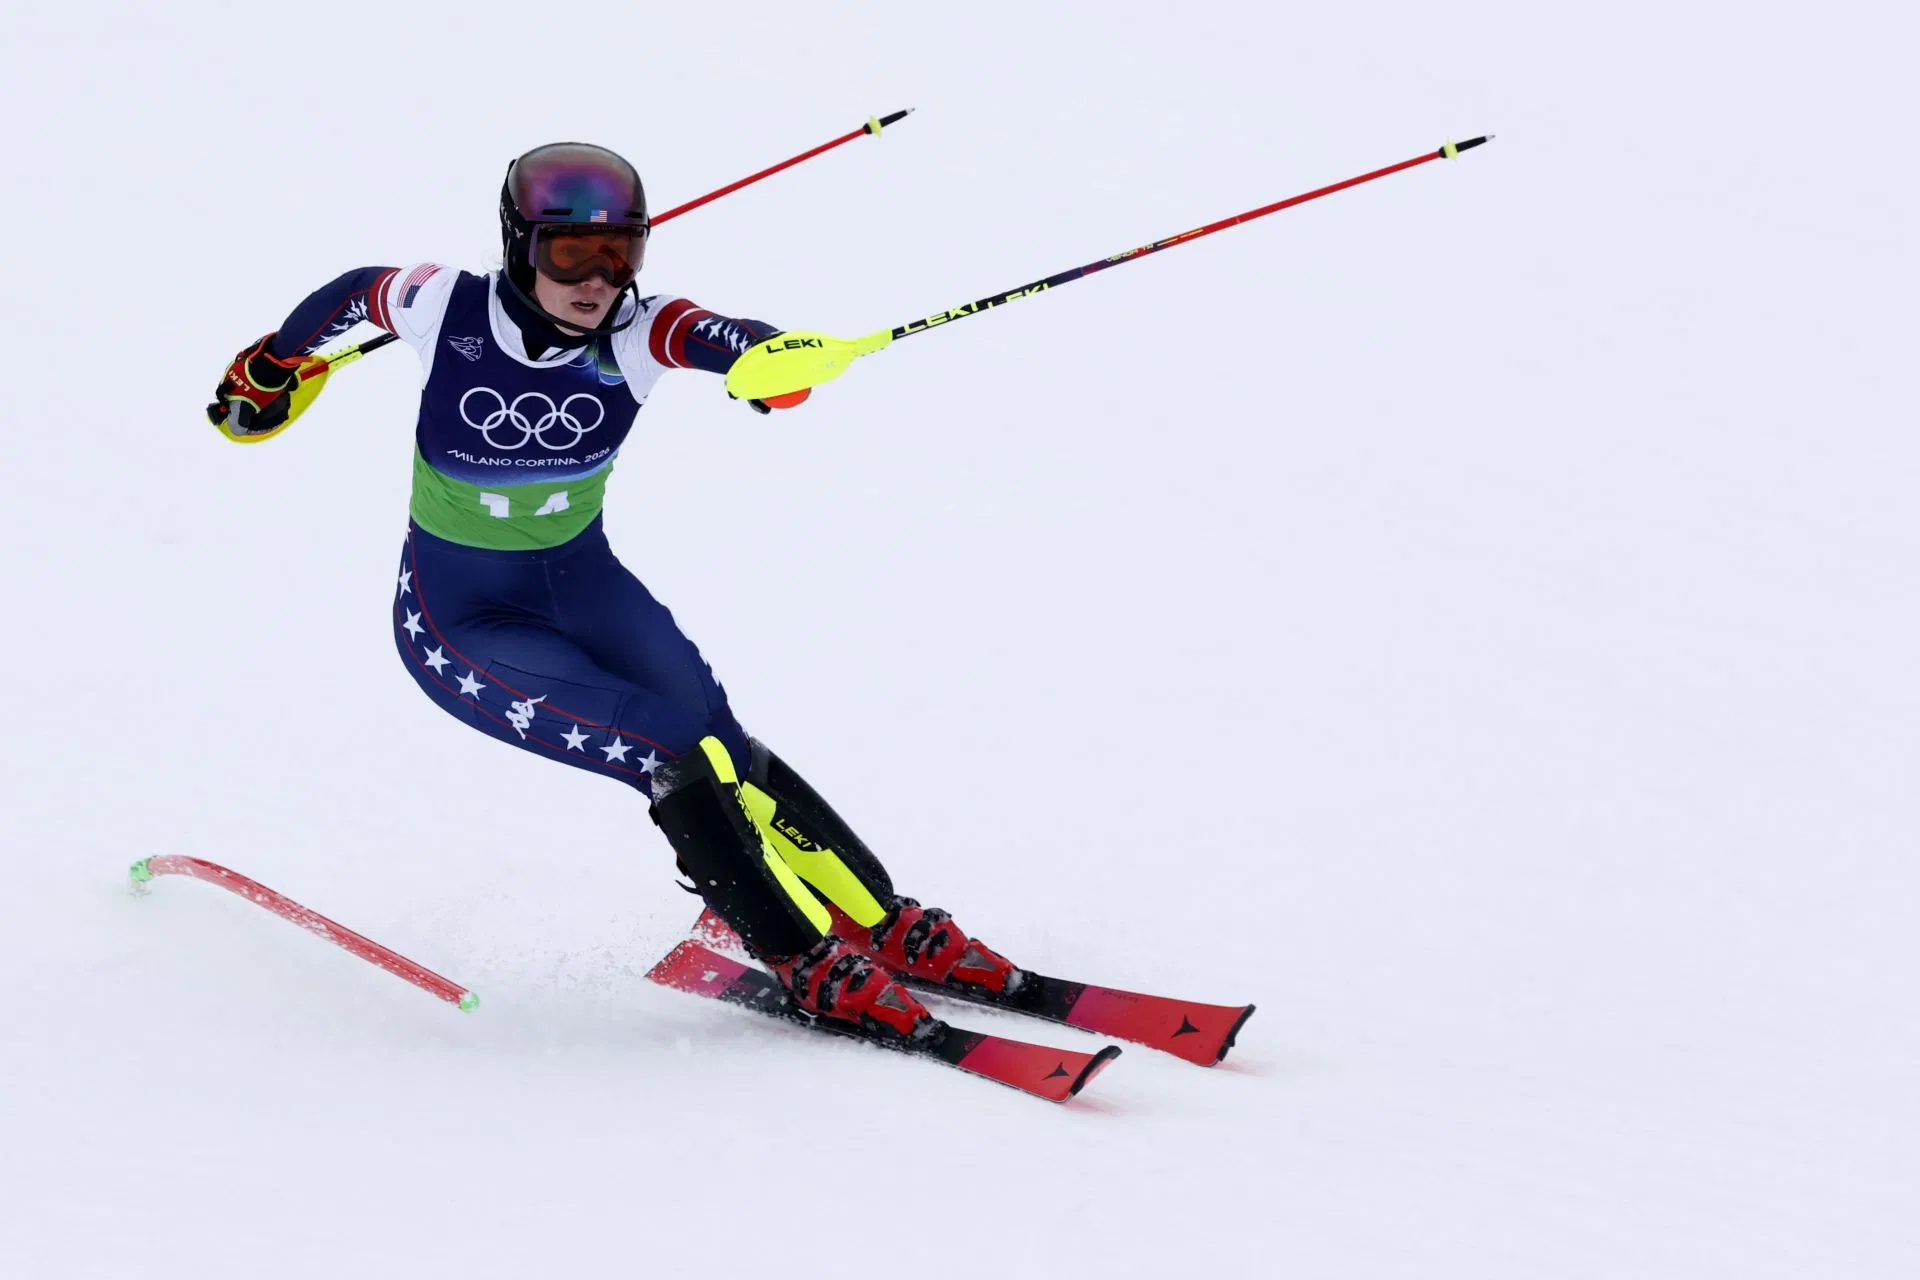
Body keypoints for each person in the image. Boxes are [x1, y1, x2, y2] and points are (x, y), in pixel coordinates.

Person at [208, 142, 1020, 1042]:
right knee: (669, 745)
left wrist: (772, 361)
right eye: (569, 255)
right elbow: (357, 290)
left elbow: (724, 337)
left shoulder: (639, 330)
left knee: (715, 737)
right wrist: (274, 362)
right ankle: (802, 961)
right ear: (520, 246)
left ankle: (876, 918)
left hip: (579, 581)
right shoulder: (446, 305)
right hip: (461, 617)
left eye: (620, 252)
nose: (597, 281)